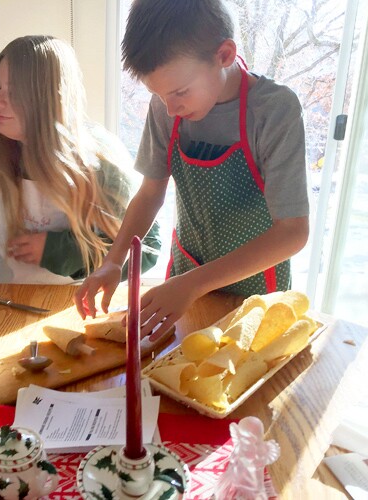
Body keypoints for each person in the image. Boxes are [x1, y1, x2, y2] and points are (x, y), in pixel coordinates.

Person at [74, 0, 310, 339]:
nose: (170, 109)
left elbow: (293, 232)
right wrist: (113, 260)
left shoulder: (274, 111)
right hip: (185, 278)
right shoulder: (167, 106)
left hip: (256, 295)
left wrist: (192, 285)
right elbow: (150, 192)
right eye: (158, 95)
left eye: (179, 93)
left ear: (225, 55)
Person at [0, 35, 161, 284]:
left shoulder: (103, 161)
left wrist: (63, 252)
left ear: (50, 98)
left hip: (69, 305)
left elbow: (148, 248)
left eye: (14, 91)